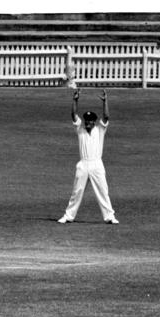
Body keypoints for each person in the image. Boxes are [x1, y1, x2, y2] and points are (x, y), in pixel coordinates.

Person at [58, 89, 119, 224]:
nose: (87, 122)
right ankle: (68, 216)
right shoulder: (80, 129)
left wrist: (105, 102)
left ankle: (110, 216)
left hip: (97, 164)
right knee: (77, 191)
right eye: (86, 120)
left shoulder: (100, 129)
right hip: (83, 164)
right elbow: (73, 114)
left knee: (103, 191)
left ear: (94, 122)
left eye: (90, 121)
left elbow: (106, 117)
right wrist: (75, 100)